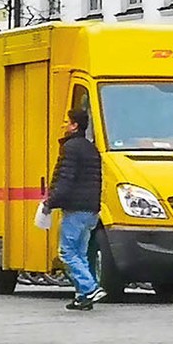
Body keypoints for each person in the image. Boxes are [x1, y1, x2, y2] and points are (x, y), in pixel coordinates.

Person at [45, 105, 105, 311]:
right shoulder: (92, 149)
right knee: (80, 253)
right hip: (91, 210)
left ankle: (90, 288)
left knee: (67, 252)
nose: (64, 125)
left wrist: (50, 202)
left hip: (75, 210)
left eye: (66, 122)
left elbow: (65, 179)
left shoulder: (70, 148)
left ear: (74, 125)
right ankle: (82, 297)